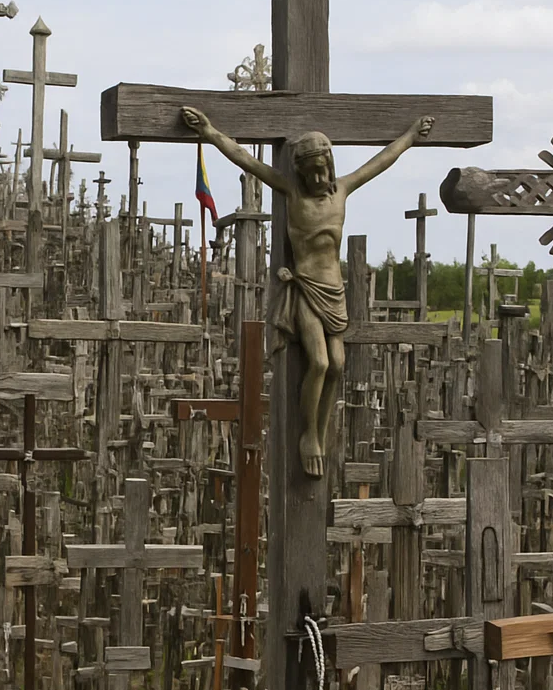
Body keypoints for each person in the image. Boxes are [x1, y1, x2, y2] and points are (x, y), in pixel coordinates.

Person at [180, 107, 435, 476]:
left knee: (340, 365)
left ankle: (321, 426)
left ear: (331, 166)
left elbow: (380, 162)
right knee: (319, 362)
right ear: (299, 171)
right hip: (304, 288)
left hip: (335, 290)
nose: (318, 176)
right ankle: (308, 436)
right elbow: (247, 160)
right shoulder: (291, 193)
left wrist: (411, 136)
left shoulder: (342, 190)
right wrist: (209, 130)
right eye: (310, 171)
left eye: (323, 169)